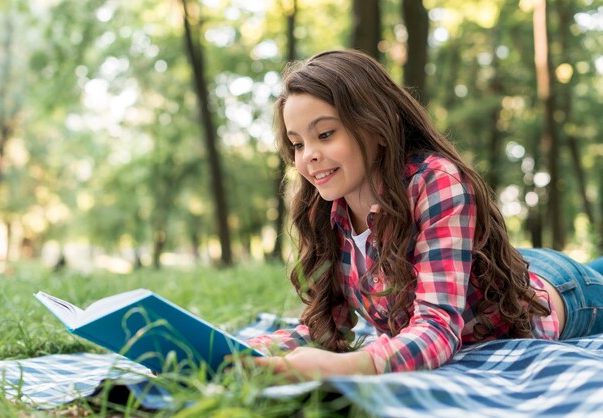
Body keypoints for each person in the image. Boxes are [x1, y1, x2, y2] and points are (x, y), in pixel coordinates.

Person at [247, 49, 603, 379]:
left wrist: (351, 365)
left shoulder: (435, 181)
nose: (308, 155)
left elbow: (437, 328)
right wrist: (249, 354)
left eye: (325, 134)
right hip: (495, 266)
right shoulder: (325, 209)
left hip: (562, 292)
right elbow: (327, 324)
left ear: (376, 127)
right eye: (297, 143)